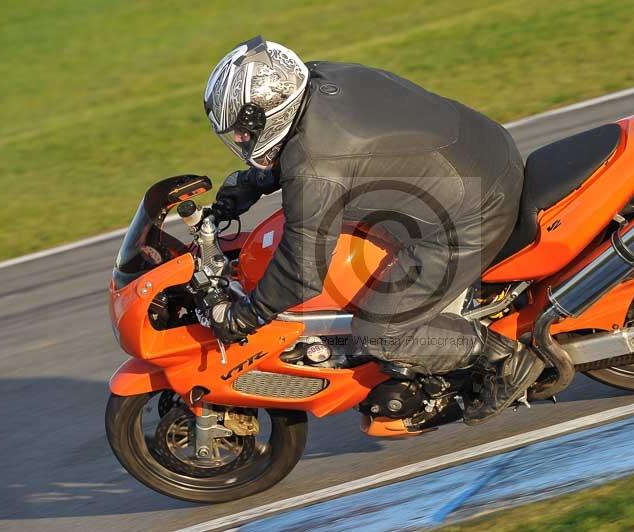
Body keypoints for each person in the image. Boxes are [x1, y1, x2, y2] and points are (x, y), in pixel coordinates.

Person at [205, 35, 541, 424]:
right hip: (485, 145)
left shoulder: (316, 167)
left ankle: (502, 358)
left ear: (276, 111)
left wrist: (247, 316)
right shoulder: (319, 76)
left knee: (380, 331)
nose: (241, 139)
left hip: (474, 211)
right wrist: (253, 183)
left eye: (244, 131)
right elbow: (337, 147)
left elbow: (302, 271)